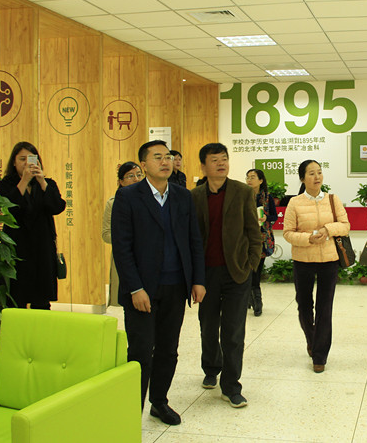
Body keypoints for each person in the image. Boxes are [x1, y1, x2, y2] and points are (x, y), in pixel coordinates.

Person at [111, 140, 206, 425]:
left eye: (168, 156)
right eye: (157, 157)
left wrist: (198, 280)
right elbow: (122, 248)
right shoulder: (128, 196)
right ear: (144, 165)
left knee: (168, 349)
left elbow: (194, 240)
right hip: (142, 290)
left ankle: (159, 402)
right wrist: (135, 288)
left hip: (176, 286)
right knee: (140, 352)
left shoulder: (182, 196)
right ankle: (131, 410)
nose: (165, 162)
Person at [191, 143, 262, 408]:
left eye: (224, 159)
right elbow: (190, 237)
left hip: (237, 272)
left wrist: (251, 264)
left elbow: (253, 231)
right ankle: (211, 368)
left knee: (233, 331)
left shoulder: (242, 192)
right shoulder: (194, 196)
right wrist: (194, 276)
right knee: (208, 326)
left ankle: (231, 386)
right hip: (206, 274)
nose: (221, 164)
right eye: (215, 160)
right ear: (203, 166)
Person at [283, 160, 350, 374]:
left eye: (319, 172)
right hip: (303, 260)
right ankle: (312, 339)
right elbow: (288, 233)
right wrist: (308, 239)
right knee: (304, 306)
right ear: (303, 178)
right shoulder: (294, 203)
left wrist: (328, 230)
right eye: (311, 173)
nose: (317, 177)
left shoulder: (332, 199)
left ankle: (320, 355)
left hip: (329, 260)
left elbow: (345, 226)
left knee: (324, 307)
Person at [0, 141, 66, 310]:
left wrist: (42, 181)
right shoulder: (6, 184)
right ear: (14, 162)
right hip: (16, 249)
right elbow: (9, 206)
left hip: (42, 249)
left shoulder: (48, 184)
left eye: (32, 159)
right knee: (15, 300)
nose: (27, 163)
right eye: (22, 159)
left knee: (41, 301)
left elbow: (58, 207)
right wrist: (24, 180)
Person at [101, 161, 143, 307]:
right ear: (121, 181)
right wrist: (128, 239)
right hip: (124, 256)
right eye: (130, 176)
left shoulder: (151, 201)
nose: (136, 179)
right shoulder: (113, 203)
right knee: (128, 300)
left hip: (147, 257)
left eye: (139, 175)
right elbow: (106, 234)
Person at [245, 169, 278, 317]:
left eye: (252, 177)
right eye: (247, 177)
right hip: (246, 239)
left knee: (256, 271)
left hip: (263, 239)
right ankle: (249, 299)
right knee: (247, 270)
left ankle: (257, 302)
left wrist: (266, 218)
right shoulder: (243, 196)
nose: (249, 180)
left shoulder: (267, 198)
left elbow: (274, 216)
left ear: (260, 180)